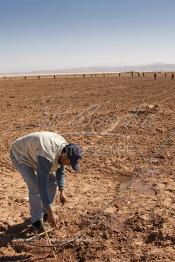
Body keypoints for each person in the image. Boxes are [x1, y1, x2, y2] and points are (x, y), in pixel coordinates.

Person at [10, 131, 83, 230]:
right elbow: (42, 185)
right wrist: (51, 211)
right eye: (70, 162)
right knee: (35, 187)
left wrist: (62, 191)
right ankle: (37, 221)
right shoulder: (47, 156)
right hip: (20, 154)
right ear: (64, 155)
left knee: (52, 182)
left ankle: (45, 213)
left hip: (35, 152)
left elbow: (60, 169)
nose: (69, 165)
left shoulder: (64, 149)